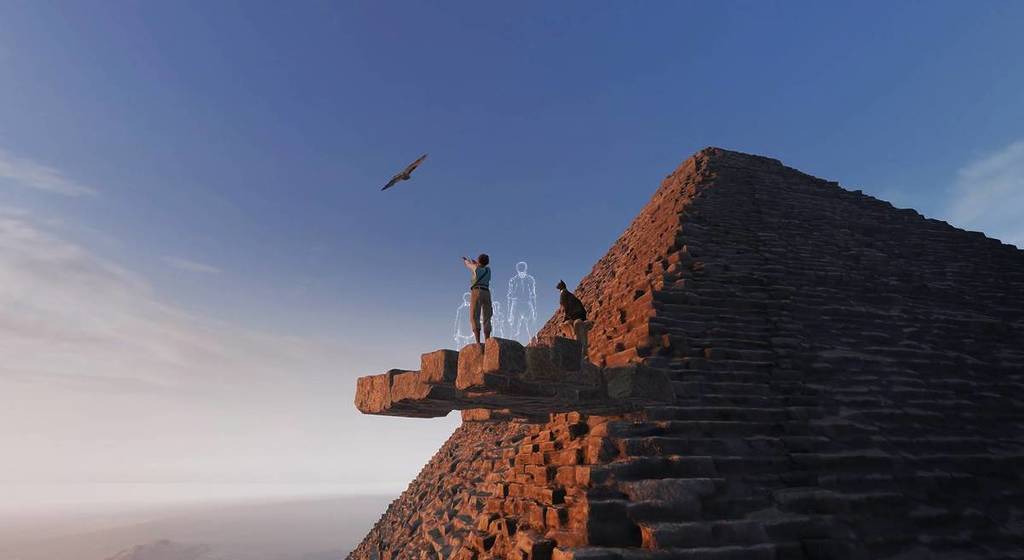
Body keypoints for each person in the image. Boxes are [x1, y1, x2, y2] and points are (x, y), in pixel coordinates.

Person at [557, 280, 593, 362]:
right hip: (581, 314)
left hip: (575, 314)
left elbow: (566, 306)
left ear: (561, 287)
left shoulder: (563, 294)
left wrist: (566, 317)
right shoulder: (569, 294)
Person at [462, 254, 492, 344]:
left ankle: (478, 342)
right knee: (487, 316)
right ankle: (487, 341)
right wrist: (476, 262)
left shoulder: (476, 268)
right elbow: (478, 265)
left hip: (477, 291)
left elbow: (468, 265)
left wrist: (466, 260)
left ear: (478, 261)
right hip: (487, 292)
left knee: (474, 316)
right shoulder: (488, 270)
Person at [507, 261, 537, 343]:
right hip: (519, 304)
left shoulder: (529, 280)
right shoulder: (514, 280)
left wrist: (534, 308)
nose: (522, 272)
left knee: (529, 327)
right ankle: (512, 346)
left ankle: (534, 345)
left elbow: (533, 295)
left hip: (524, 303)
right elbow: (510, 296)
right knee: (515, 329)